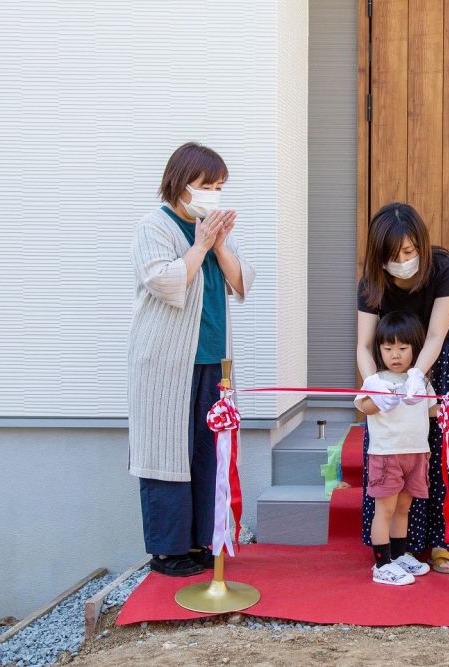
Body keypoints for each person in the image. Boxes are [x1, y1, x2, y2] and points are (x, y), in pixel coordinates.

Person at [128, 143, 255, 577]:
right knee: (168, 449)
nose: (214, 195)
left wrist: (218, 245)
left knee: (208, 452)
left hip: (213, 360)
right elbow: (163, 281)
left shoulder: (212, 226)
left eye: (220, 186)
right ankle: (168, 551)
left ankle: (204, 540)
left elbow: (243, 282)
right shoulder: (154, 226)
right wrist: (200, 247)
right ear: (181, 184)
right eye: (206, 186)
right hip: (166, 365)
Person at [357, 202, 449, 573]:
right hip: (392, 364)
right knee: (394, 445)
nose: (403, 260)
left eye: (410, 252)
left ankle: (445, 540)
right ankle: (398, 547)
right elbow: (365, 346)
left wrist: (418, 374)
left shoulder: (442, 268)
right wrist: (375, 386)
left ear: (422, 246)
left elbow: (436, 334)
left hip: (445, 357)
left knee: (448, 445)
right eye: (394, 255)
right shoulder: (372, 281)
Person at [354, 311, 441, 585]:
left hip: (416, 454)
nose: (396, 354)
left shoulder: (420, 381)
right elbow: (364, 407)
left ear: (414, 348)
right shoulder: (376, 381)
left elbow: (430, 410)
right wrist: (379, 400)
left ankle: (399, 555)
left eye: (403, 348)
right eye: (388, 348)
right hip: (386, 455)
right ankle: (381, 565)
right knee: (386, 509)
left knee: (404, 507)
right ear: (379, 350)